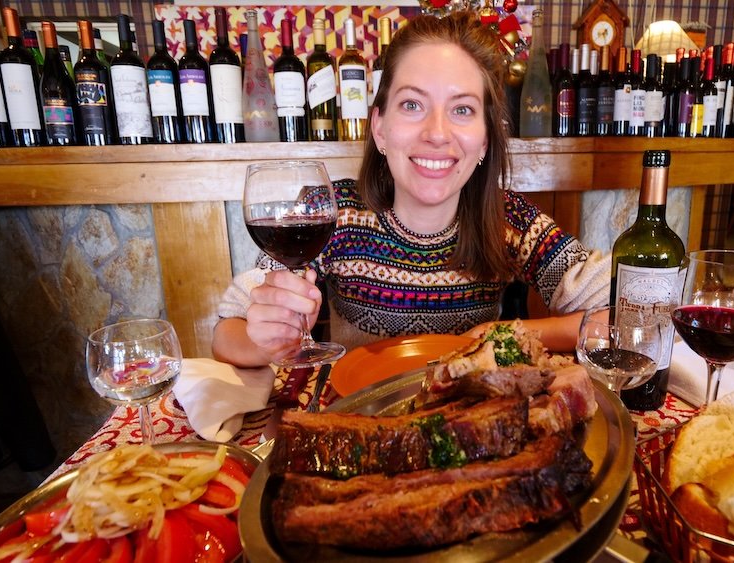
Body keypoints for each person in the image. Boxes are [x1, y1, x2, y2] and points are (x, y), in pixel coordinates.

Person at [212, 11, 610, 368]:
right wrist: (263, 340)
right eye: (412, 105)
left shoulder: (512, 221)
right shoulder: (332, 211)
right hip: (360, 423)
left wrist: (504, 334)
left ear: (485, 140)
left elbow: (624, 313)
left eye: (462, 110)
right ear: (379, 127)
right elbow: (226, 332)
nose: (437, 134)